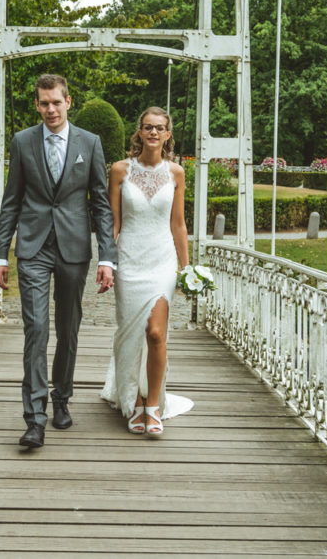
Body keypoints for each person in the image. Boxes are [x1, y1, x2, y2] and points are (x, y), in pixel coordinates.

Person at [0, 74, 117, 449]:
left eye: (56, 102)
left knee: (68, 328)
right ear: (37, 104)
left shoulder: (89, 144)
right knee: (36, 330)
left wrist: (107, 257)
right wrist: (0, 252)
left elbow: (101, 204)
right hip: (31, 248)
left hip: (74, 248)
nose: (50, 110)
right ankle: (35, 419)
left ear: (68, 101)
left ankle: (62, 397)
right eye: (44, 103)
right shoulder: (23, 142)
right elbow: (11, 200)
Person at [99, 107, 193, 437]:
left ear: (168, 135)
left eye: (160, 128)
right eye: (147, 127)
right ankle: (135, 401)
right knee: (131, 333)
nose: (153, 133)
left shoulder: (177, 173)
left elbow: (178, 225)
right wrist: (106, 261)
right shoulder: (119, 170)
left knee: (155, 333)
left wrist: (187, 269)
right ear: (138, 132)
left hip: (162, 260)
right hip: (129, 260)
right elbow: (112, 222)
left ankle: (154, 405)